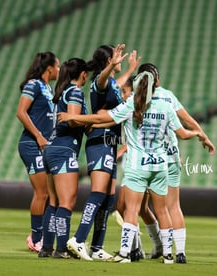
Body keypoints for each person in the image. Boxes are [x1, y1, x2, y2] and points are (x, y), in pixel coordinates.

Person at [58, 68, 202, 264]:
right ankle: (169, 255)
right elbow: (183, 133)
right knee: (163, 211)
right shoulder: (166, 106)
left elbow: (103, 118)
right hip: (160, 165)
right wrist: (199, 134)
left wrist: (74, 118)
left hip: (138, 166)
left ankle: (126, 253)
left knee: (131, 210)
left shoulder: (132, 106)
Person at [66, 44, 141, 261]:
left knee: (108, 199)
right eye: (115, 59)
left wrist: (129, 69)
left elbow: (115, 85)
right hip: (100, 142)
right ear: (108, 62)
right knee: (98, 193)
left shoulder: (112, 86)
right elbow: (103, 80)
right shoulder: (100, 80)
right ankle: (78, 240)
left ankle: (97, 247)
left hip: (110, 144)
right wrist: (111, 66)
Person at [40, 58, 91, 259]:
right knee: (66, 203)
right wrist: (94, 121)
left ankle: (46, 248)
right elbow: (72, 119)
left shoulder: (60, 93)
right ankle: (61, 249)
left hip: (51, 149)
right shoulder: (76, 92)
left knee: (53, 201)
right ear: (83, 74)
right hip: (64, 150)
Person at [17, 52, 60, 252]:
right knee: (42, 193)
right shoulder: (33, 85)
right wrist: (38, 136)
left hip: (45, 145)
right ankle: (36, 238)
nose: (59, 71)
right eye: (57, 67)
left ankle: (40, 234)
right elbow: (21, 112)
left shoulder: (47, 88)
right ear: (49, 68)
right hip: (32, 145)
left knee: (50, 195)